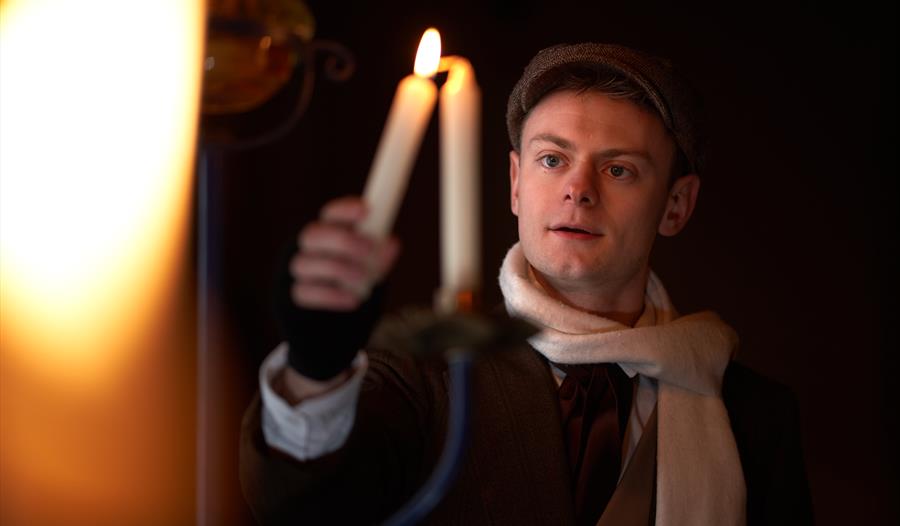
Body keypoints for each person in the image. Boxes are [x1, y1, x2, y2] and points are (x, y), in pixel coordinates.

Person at [239, 42, 814, 525]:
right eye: (551, 160)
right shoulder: (421, 377)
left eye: (618, 169)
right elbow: (300, 501)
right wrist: (315, 369)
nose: (578, 189)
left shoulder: (754, 416)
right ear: (515, 182)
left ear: (676, 205)